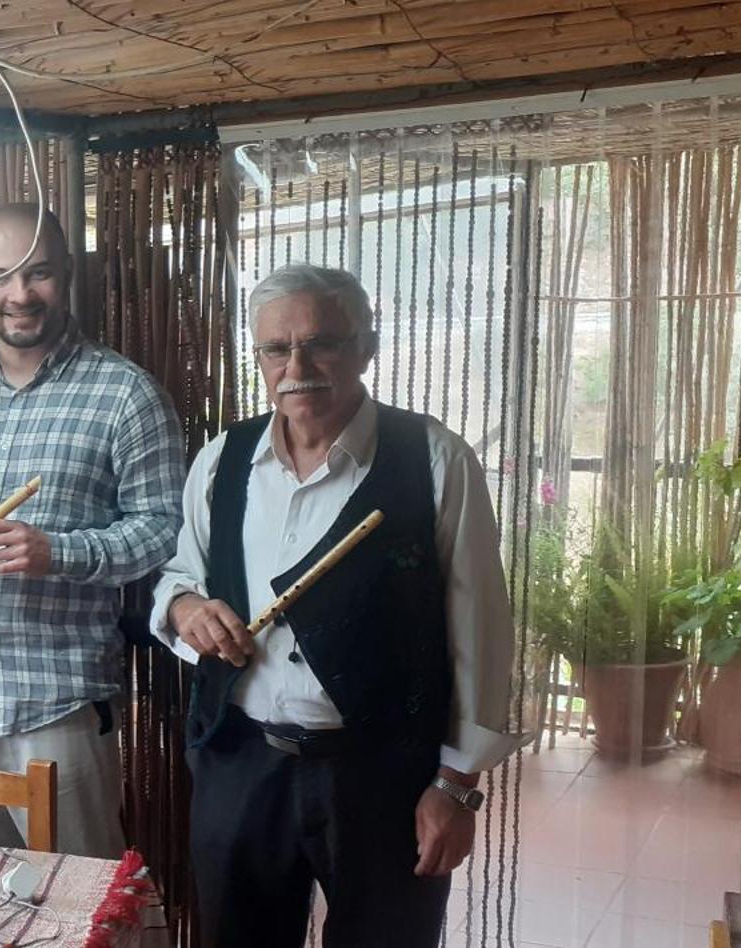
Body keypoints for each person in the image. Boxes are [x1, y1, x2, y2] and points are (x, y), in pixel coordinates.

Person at [150, 264, 519, 947]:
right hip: (242, 762)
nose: (298, 366)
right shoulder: (222, 461)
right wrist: (186, 611)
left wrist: (456, 786)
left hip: (383, 778)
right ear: (258, 357)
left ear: (366, 348)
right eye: (275, 349)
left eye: (323, 343)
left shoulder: (435, 460)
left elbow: (482, 637)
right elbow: (178, 577)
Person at [0, 204, 185, 857]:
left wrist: (61, 552)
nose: (19, 295)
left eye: (39, 274)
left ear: (68, 276)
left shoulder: (125, 393)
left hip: (53, 694)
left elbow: (165, 529)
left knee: (77, 890)